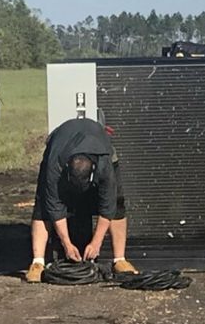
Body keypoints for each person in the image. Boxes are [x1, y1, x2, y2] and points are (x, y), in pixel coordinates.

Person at [27, 116, 138, 282]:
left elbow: (108, 206)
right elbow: (54, 205)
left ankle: (120, 260)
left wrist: (96, 243)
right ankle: (37, 263)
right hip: (60, 144)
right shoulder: (55, 164)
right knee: (43, 206)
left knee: (117, 203)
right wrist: (67, 244)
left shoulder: (104, 164)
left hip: (100, 144)